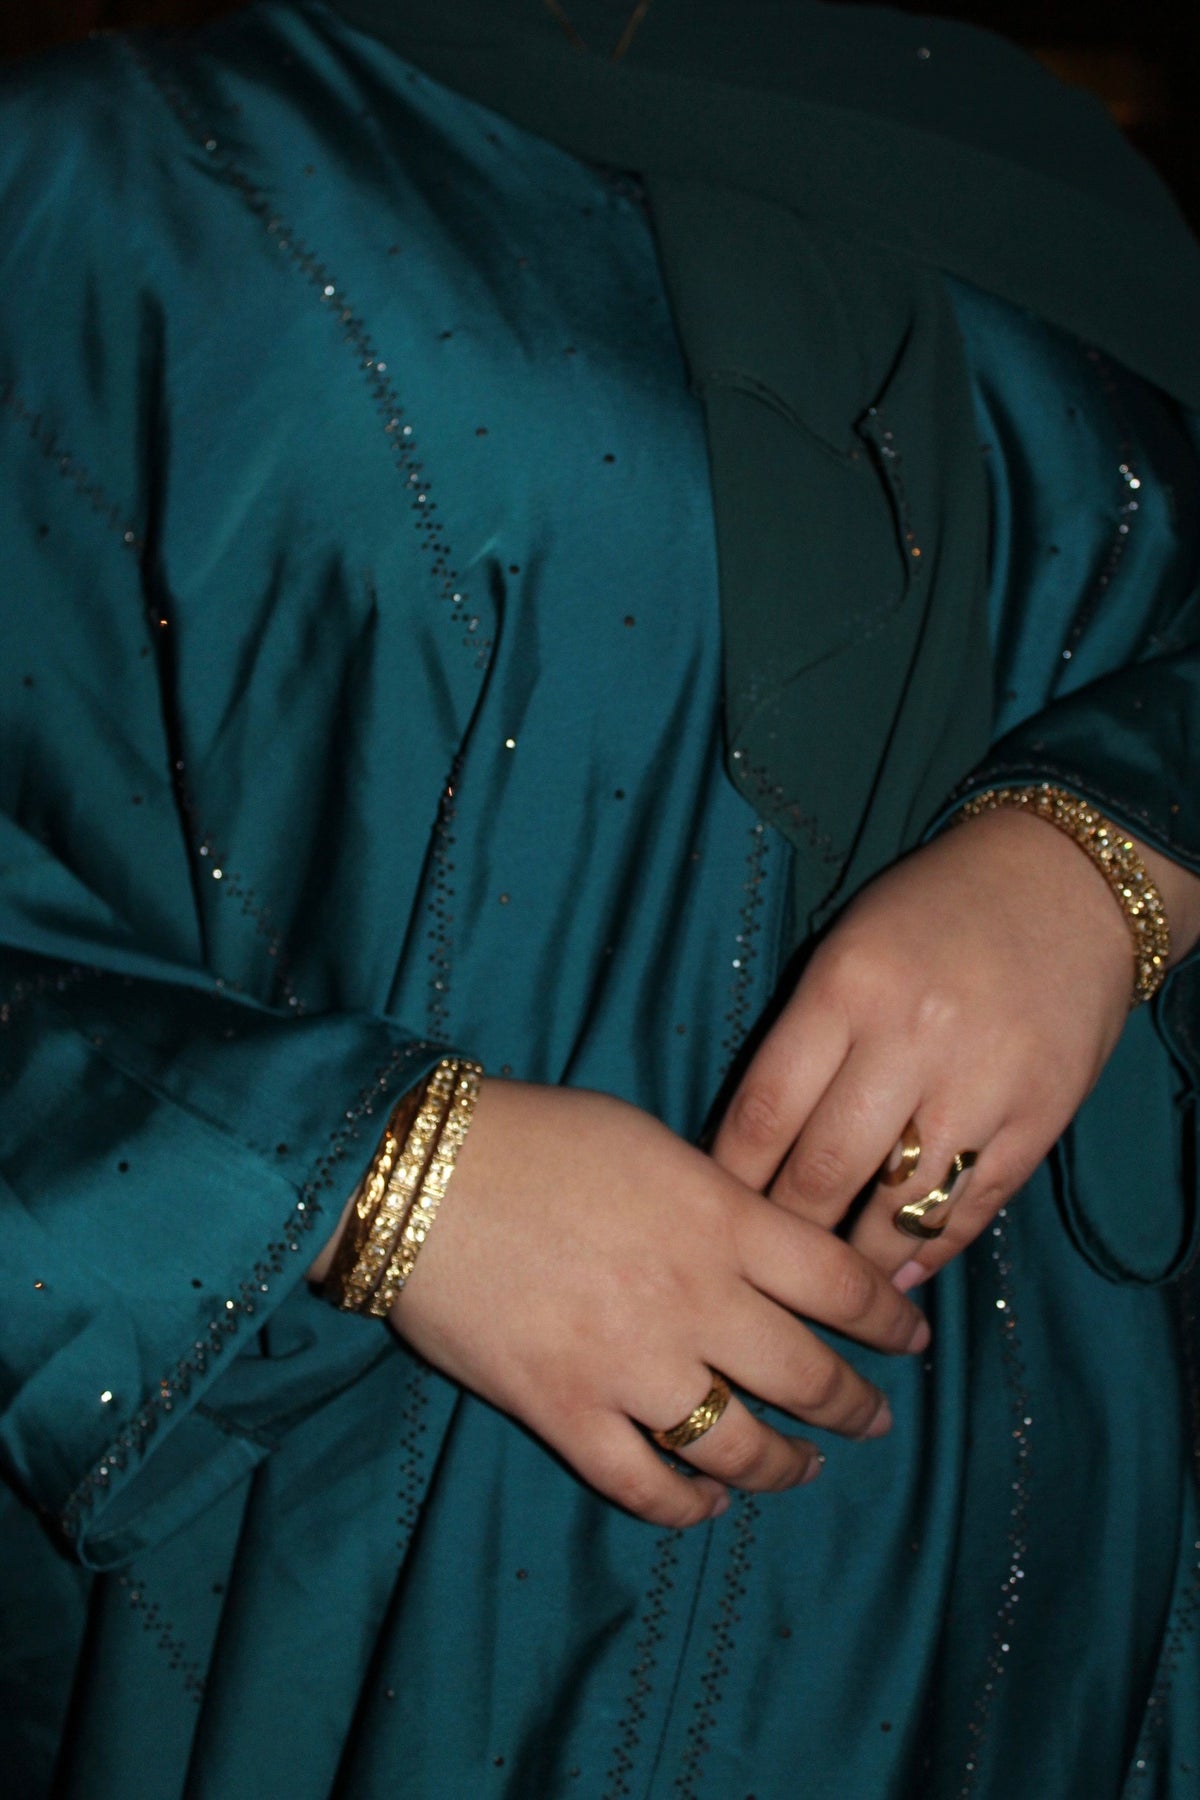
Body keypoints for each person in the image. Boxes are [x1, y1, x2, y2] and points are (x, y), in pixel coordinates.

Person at [3, 1, 1200, 1794]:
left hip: (1046, 1602)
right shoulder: (120, 170)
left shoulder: (1074, 197)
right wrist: (371, 1181)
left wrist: (1114, 852)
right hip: (365, 1568)